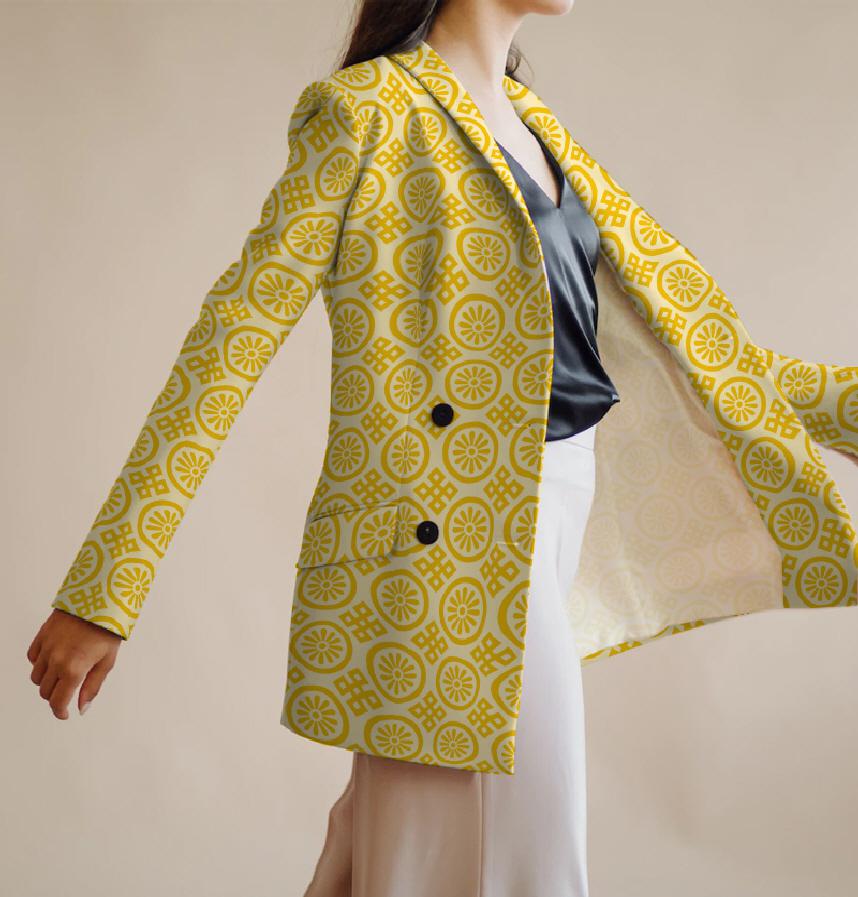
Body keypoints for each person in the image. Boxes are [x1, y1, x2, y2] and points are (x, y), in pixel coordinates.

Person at [27, 1, 857, 895]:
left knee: (404, 859)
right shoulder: (364, 111)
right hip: (445, 550)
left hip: (551, 514)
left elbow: (687, 347)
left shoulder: (536, 125)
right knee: (520, 860)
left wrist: (841, 406)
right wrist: (107, 588)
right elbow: (230, 344)